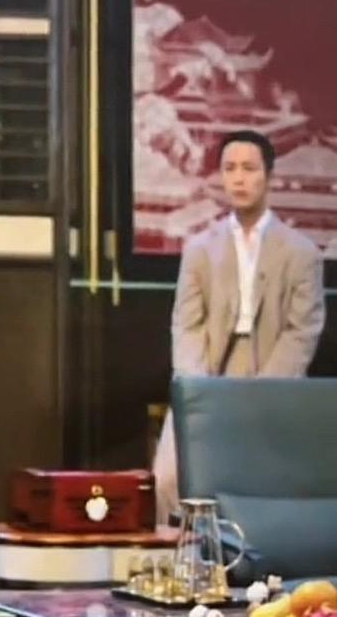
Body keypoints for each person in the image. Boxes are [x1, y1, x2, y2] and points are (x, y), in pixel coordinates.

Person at [155, 129, 326, 521]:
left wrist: (263, 393)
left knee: (264, 479)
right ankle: (174, 554)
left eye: (249, 169)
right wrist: (197, 388)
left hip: (273, 374)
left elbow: (302, 332)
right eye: (230, 168)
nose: (238, 178)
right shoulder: (200, 248)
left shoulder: (302, 252)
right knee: (167, 478)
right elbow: (186, 323)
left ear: (269, 176)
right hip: (210, 370)